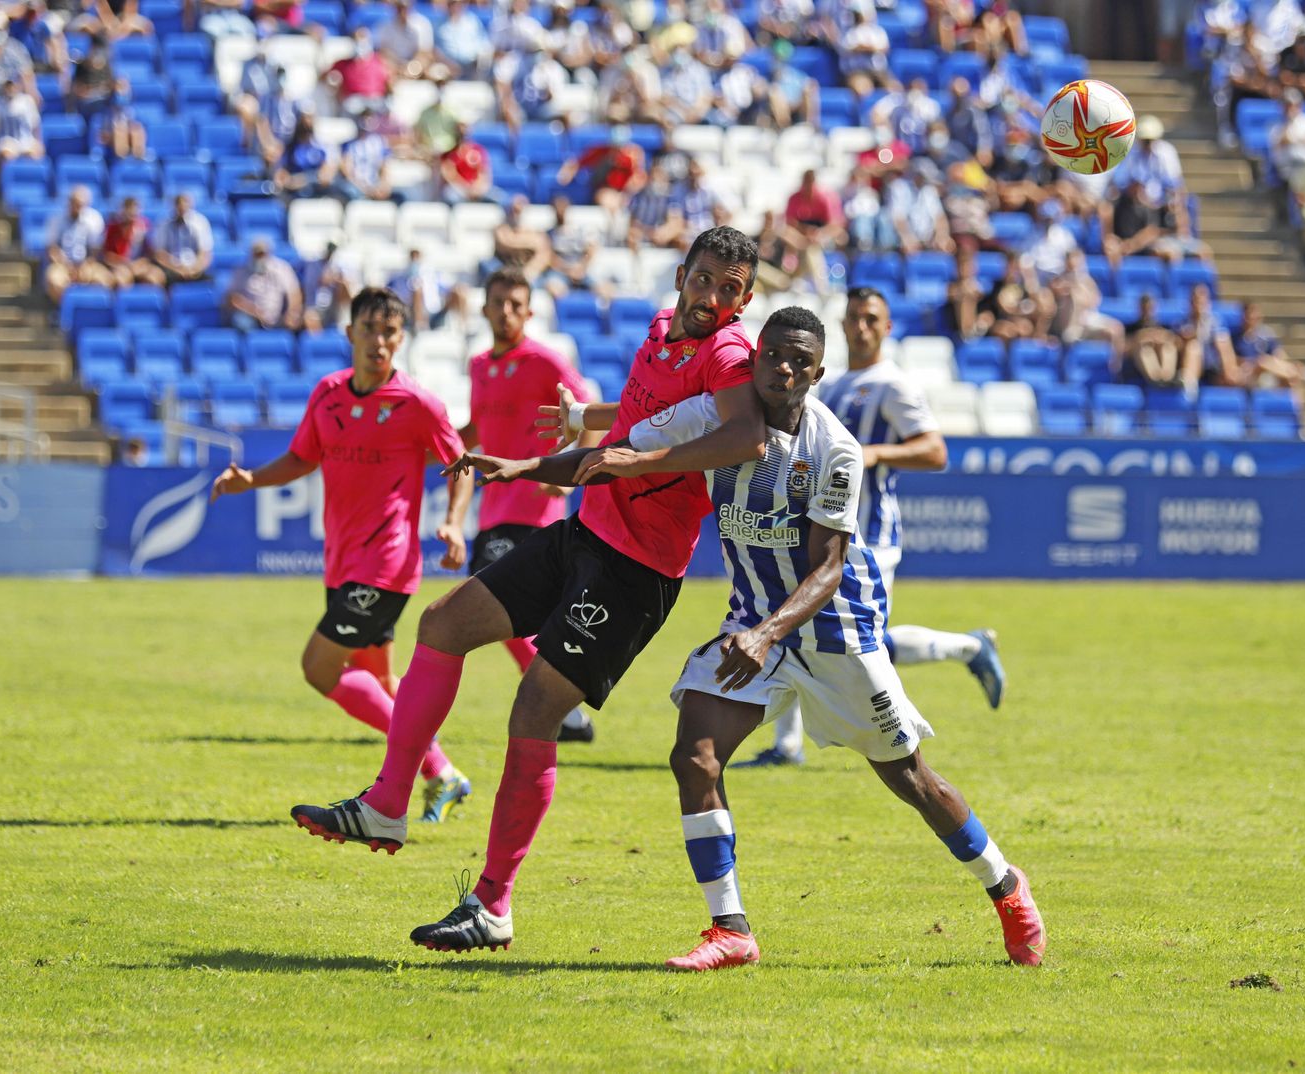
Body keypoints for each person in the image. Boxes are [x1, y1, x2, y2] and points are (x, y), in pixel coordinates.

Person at [452, 307, 1046, 970]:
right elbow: (615, 454)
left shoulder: (835, 451)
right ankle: (730, 928)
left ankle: (1005, 886)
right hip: (751, 629)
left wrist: (767, 633)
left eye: (799, 361)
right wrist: (520, 467)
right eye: (773, 356)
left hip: (831, 635)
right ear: (755, 358)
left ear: (818, 373)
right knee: (695, 757)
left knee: (909, 778)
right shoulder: (716, 416)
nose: (783, 369)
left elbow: (828, 568)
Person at [289, 228, 769, 954]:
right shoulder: (661, 331)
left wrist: (641, 461)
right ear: (682, 274)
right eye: (704, 279)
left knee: (534, 708)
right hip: (586, 532)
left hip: (636, 569)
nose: (711, 298)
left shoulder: (728, 353)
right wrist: (565, 440)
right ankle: (389, 802)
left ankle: (493, 905)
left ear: (746, 298)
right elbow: (649, 413)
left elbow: (745, 438)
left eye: (729, 289)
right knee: (444, 622)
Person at [212, 288, 475, 827]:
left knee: (320, 667)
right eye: (370, 329)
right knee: (380, 685)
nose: (379, 342)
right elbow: (301, 457)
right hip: (343, 564)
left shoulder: (417, 403)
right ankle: (442, 773)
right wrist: (252, 479)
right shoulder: (327, 394)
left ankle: (435, 771)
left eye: (390, 332)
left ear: (401, 340)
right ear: (350, 332)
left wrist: (451, 522)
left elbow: (461, 464)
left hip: (387, 566)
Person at [739, 287, 1006, 767]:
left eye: (871, 319)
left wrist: (874, 454)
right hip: (819, 528)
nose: (860, 327)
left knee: (860, 640)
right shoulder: (835, 384)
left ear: (887, 327)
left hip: (871, 535)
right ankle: (787, 745)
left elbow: (934, 450)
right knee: (795, 621)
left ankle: (967, 648)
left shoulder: (893, 385)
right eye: (853, 318)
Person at [457, 269, 601, 742]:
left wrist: (573, 473)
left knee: (493, 604)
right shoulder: (479, 364)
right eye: (498, 302)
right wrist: (444, 445)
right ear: (484, 307)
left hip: (532, 508)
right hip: (493, 506)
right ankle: (569, 712)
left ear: (530, 311)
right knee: (513, 615)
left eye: (516, 304)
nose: (506, 312)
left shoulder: (545, 362)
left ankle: (563, 707)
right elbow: (477, 428)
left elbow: (590, 412)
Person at [44, 185, 114, 302]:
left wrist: (86, 265)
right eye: (74, 203)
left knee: (104, 280)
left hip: (87, 263)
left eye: (80, 204)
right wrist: (65, 264)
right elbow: (52, 248)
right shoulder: (56, 219)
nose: (77, 207)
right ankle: (62, 311)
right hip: (62, 264)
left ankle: (88, 310)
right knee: (54, 280)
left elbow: (96, 250)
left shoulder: (94, 219)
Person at [224, 237, 303, 331]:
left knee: (298, 322)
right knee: (241, 322)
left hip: (278, 316)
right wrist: (255, 312)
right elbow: (231, 298)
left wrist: (291, 313)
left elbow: (294, 293)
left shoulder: (282, 268)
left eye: (262, 254)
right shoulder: (241, 270)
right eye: (257, 254)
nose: (260, 257)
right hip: (251, 316)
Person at [149, 192, 214, 285]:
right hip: (171, 268)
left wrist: (194, 269)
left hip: (195, 269)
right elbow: (159, 253)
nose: (182, 208)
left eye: (185, 204)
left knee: (212, 282)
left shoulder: (200, 222)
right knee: (156, 278)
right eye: (179, 204)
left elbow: (205, 252)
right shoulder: (163, 223)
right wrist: (177, 269)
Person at [101, 195, 164, 288]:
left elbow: (150, 254)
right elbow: (107, 256)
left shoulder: (144, 226)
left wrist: (138, 264)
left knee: (155, 277)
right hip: (120, 266)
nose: (132, 215)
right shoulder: (112, 228)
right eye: (129, 211)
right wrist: (125, 264)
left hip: (139, 265)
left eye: (135, 211)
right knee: (120, 279)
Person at [0, 80, 43, 162]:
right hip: (7, 141)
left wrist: (39, 141)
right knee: (7, 156)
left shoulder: (27, 101)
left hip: (26, 140)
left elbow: (35, 125)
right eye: (8, 87)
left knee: (36, 154)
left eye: (13, 86)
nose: (11, 89)